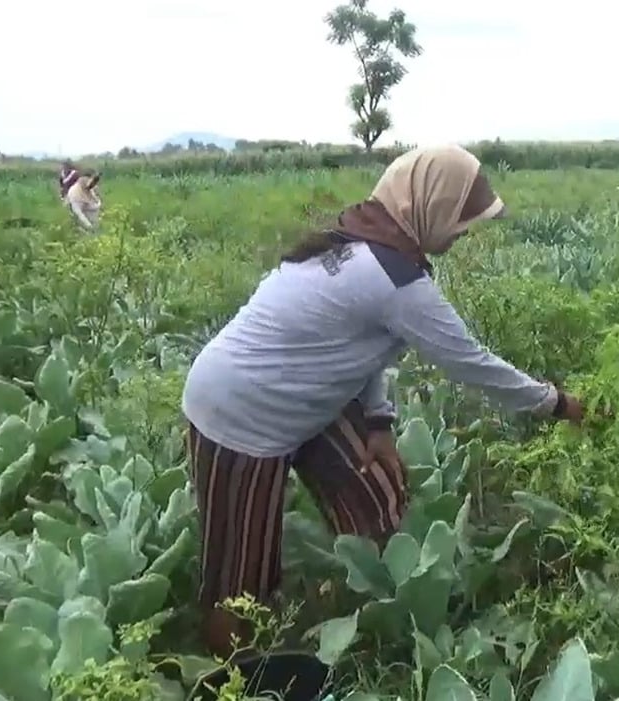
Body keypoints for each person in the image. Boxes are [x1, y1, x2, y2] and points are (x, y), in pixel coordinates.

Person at [180, 144, 586, 658]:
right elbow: (471, 363)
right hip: (239, 410)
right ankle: (231, 675)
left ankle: (387, 618)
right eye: (461, 217)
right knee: (241, 574)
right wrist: (558, 404)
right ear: (427, 203)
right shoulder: (391, 277)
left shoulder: (367, 240)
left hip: (305, 395)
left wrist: (378, 422)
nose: (464, 231)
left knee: (377, 492)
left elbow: (361, 346)